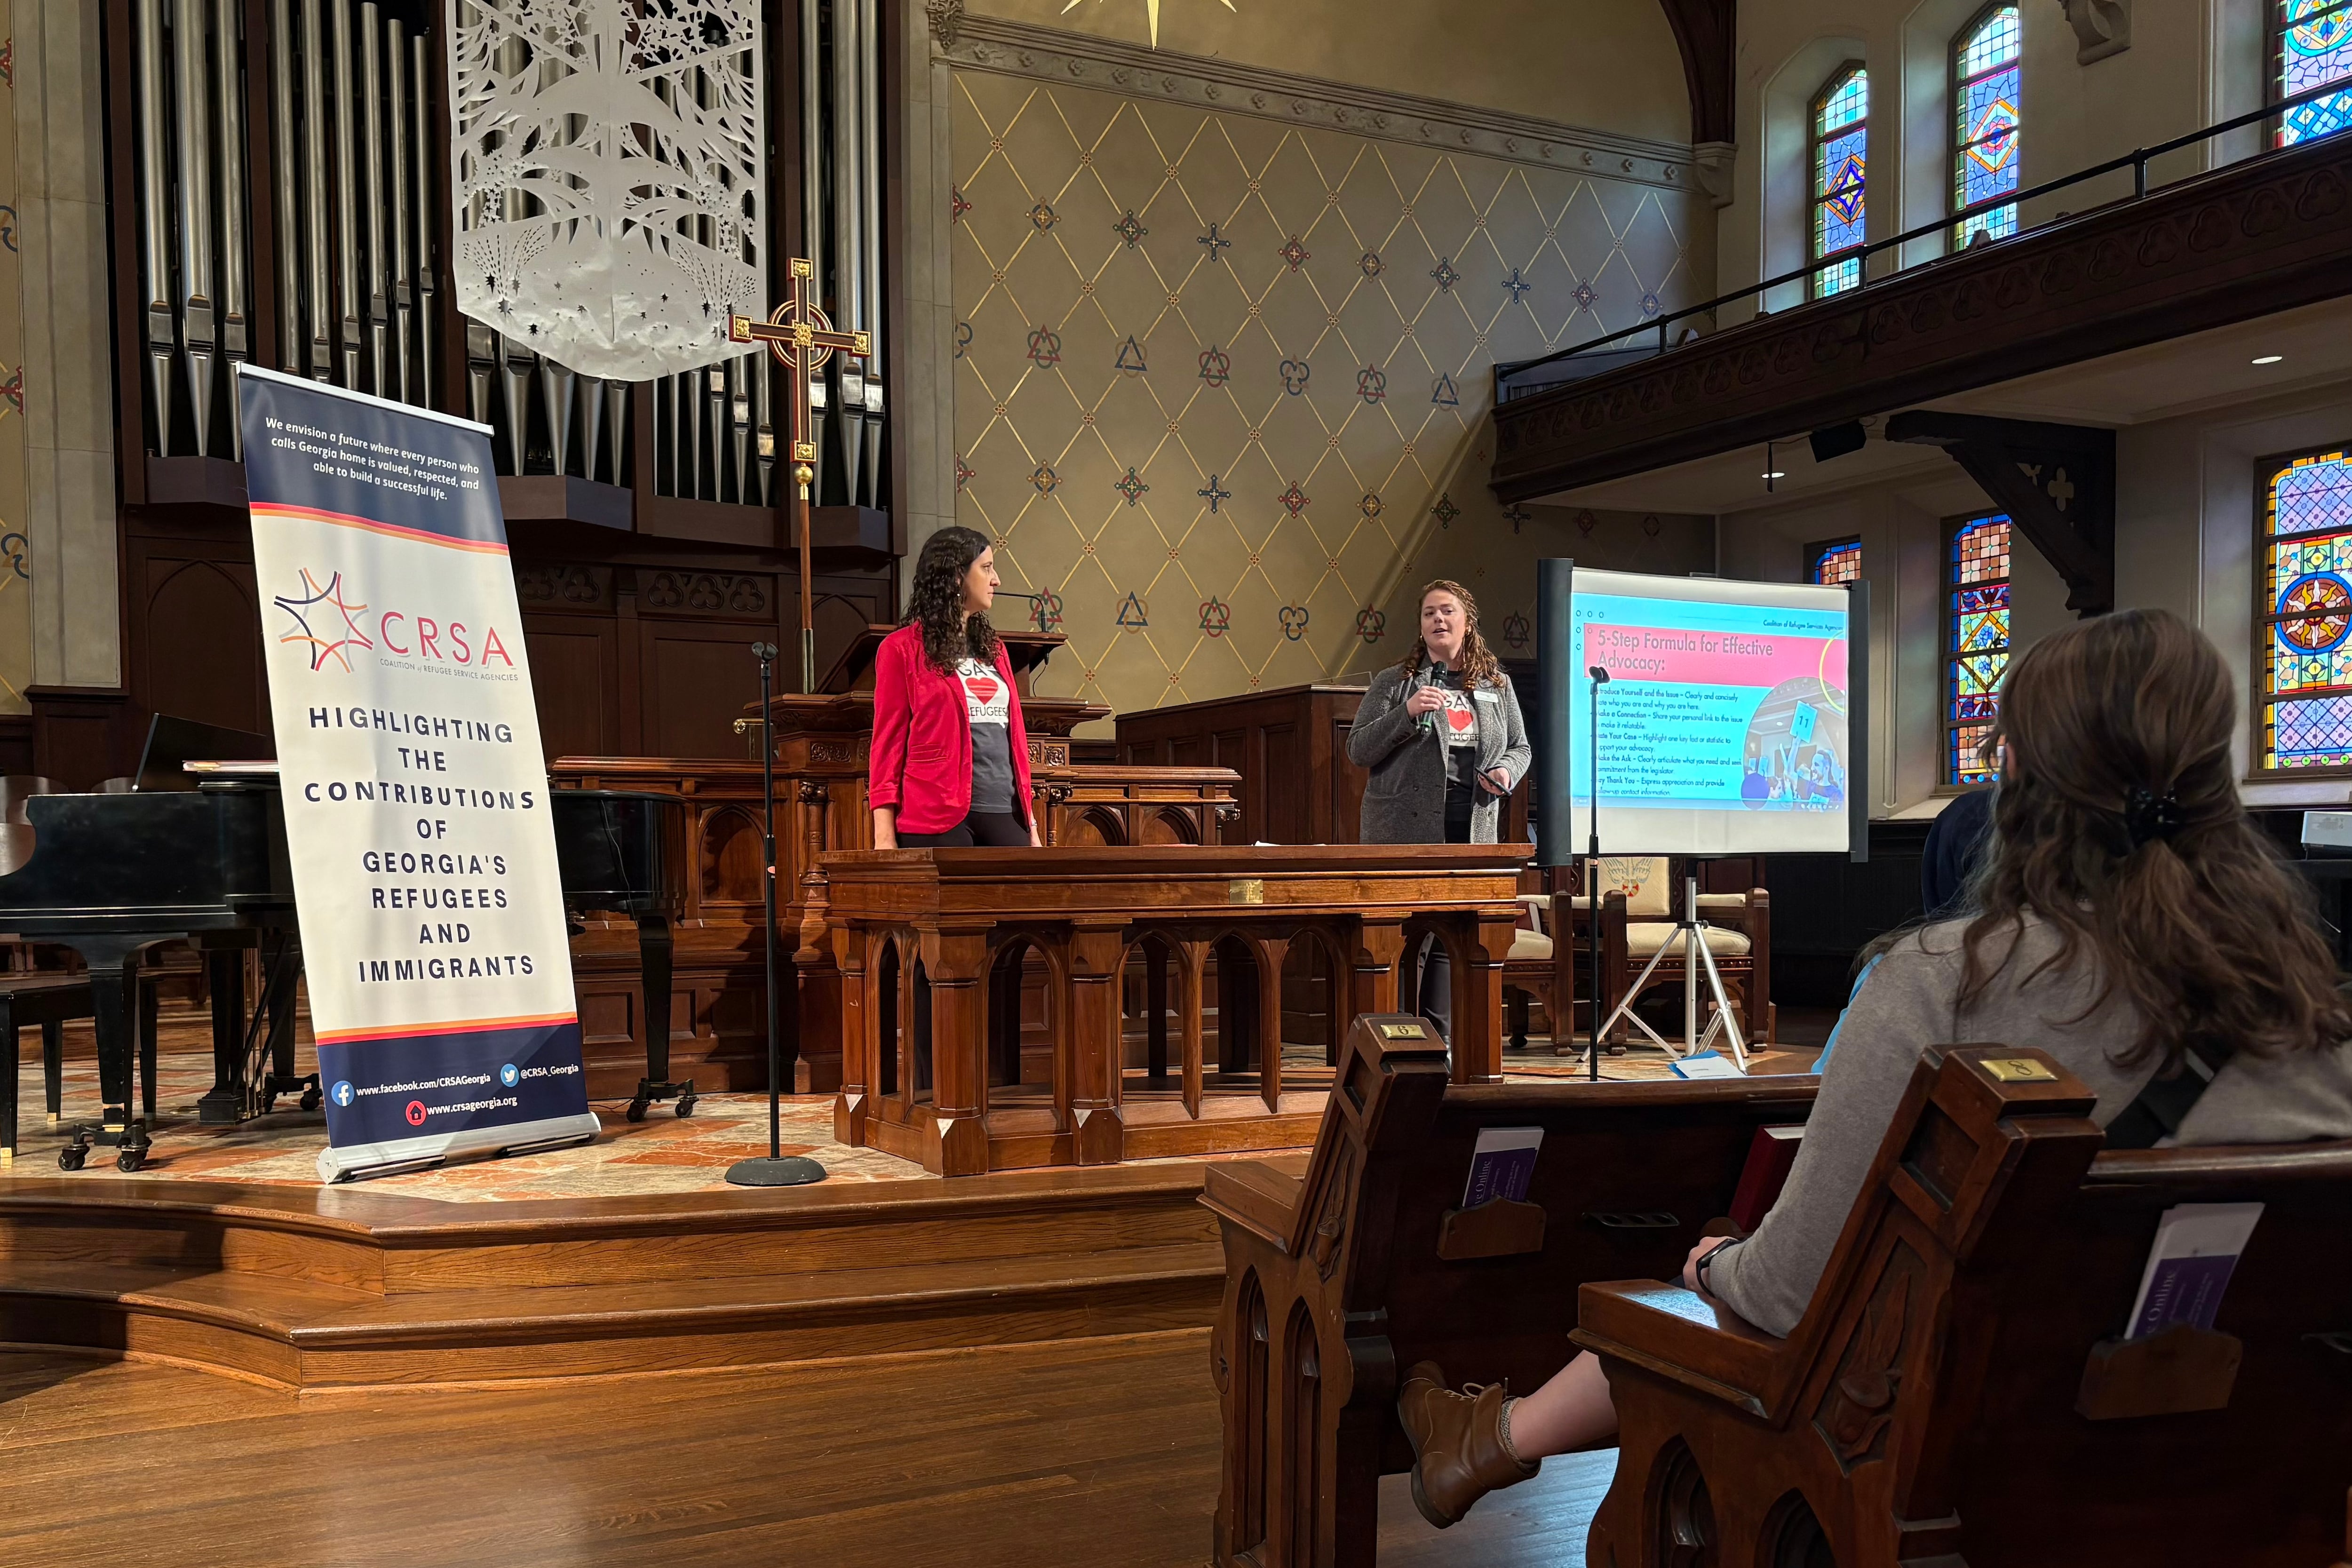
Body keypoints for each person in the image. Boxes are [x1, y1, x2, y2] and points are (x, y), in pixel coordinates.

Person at [1395, 607, 2352, 1529]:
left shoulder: (1944, 983)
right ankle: (1487, 1437)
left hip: (1954, 1471)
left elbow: (1788, 1292)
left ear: (2019, 785)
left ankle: (1495, 1436)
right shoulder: (2318, 1017)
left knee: (1697, 1298)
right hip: (2248, 1477)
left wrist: (1720, 1264)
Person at [1345, 581, 1530, 1039]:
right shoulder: (1395, 682)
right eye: (1429, 613)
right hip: (1403, 832)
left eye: (1446, 612)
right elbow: (1358, 749)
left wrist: (1505, 773)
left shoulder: (1494, 685)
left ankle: (1440, 1041)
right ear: (1421, 626)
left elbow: (1519, 747)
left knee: (1454, 934)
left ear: (1467, 622)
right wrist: (1405, 713)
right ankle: (1397, 1039)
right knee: (1407, 937)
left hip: (1469, 827)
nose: (1437, 620)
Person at [869, 527, 1041, 849]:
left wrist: (1030, 823)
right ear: (955, 576)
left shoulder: (996, 649)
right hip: (935, 815)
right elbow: (887, 747)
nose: (997, 580)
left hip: (1004, 809)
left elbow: (1015, 741)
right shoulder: (901, 649)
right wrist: (884, 836)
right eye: (987, 568)